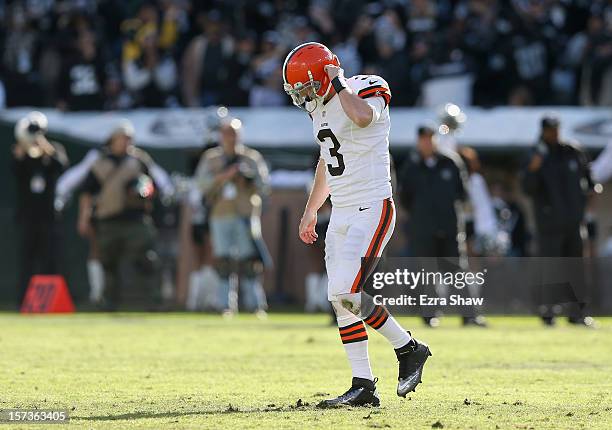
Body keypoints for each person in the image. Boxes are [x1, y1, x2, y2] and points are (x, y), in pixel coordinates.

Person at [285, 42, 431, 408]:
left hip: (373, 206)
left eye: (305, 87)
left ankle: (408, 347)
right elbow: (326, 159)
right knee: (340, 299)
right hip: (343, 211)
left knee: (347, 292)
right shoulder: (317, 108)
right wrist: (311, 209)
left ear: (324, 75)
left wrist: (337, 83)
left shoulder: (367, 87)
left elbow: (363, 117)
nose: (303, 97)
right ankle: (363, 384)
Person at [77, 120, 162, 310]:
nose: (126, 142)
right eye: (123, 138)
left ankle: (153, 299)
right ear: (112, 140)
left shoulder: (139, 160)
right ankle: (107, 301)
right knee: (108, 262)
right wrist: (83, 218)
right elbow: (87, 193)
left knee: (146, 258)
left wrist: (143, 191)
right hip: (108, 219)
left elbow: (154, 185)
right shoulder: (101, 163)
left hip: (136, 218)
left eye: (129, 138)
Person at [521, 114, 596, 326]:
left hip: (573, 222)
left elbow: (589, 180)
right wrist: (533, 168)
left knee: (575, 268)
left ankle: (577, 314)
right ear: (543, 130)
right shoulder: (535, 154)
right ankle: (548, 312)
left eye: (556, 129)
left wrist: (586, 202)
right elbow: (527, 187)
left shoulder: (572, 151)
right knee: (550, 268)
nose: (553, 133)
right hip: (548, 225)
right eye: (549, 129)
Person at [196, 119, 270, 316]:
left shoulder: (251, 158)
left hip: (246, 214)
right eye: (227, 133)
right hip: (220, 214)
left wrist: (248, 178)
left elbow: (264, 185)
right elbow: (201, 184)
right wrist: (224, 176)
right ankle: (225, 305)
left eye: (234, 133)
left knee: (250, 261)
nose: (231, 137)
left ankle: (256, 304)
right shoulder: (211, 158)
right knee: (223, 260)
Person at [11, 112, 68, 307]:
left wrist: (43, 144)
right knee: (27, 259)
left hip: (49, 216)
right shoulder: (23, 153)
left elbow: (60, 166)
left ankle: (49, 301)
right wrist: (23, 151)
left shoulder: (53, 151)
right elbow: (16, 171)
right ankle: (24, 300)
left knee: (49, 258)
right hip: (29, 216)